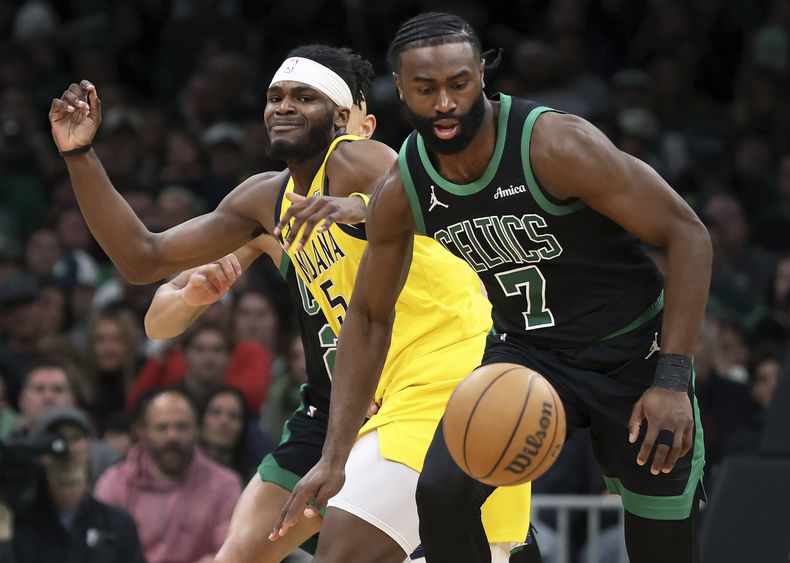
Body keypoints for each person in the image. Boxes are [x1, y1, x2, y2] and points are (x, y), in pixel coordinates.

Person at [51, 45, 535, 563]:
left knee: (346, 550)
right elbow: (144, 258)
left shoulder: (355, 157)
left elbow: (411, 189)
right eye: (274, 96)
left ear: (345, 118)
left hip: (449, 380)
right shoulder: (265, 200)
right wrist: (79, 155)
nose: (283, 106)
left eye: (305, 97)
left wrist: (358, 207)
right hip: (365, 399)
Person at [275, 12, 711, 563]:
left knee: (661, 548)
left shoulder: (555, 144)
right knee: (439, 494)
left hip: (632, 353)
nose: (445, 103)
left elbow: (687, 233)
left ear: (482, 74)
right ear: (400, 91)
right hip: (531, 354)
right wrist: (334, 457)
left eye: (459, 83)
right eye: (426, 89)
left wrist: (672, 378)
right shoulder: (405, 184)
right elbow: (367, 317)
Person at [94, 389, 242, 563]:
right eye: (162, 427)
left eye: (182, 427)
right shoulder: (114, 482)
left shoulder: (225, 485)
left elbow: (230, 553)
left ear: (197, 430)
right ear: (142, 431)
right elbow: (101, 551)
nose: (172, 436)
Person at [0, 405, 145, 563]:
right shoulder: (21, 525)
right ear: (41, 451)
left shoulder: (117, 524)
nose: (67, 450)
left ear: (89, 447)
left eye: (76, 438)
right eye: (57, 440)